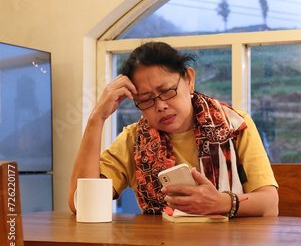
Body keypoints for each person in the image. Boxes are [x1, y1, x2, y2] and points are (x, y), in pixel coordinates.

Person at [68, 41, 278, 217]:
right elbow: (81, 205)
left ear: (189, 79)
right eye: (146, 100)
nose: (160, 106)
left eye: (167, 91)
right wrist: (97, 118)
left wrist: (221, 203)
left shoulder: (235, 125)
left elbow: (269, 204)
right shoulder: (133, 140)